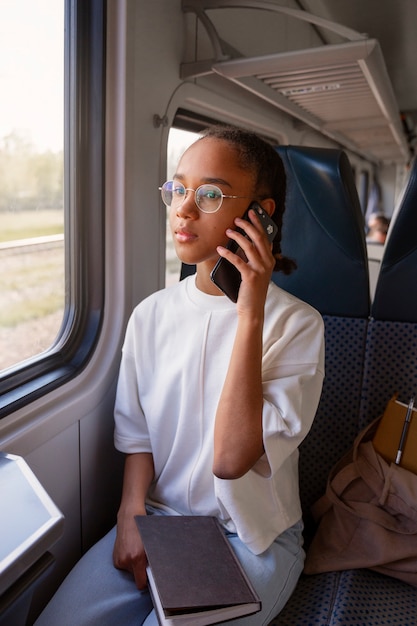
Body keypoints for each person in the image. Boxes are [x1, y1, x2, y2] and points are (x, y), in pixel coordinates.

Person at [35, 126, 325, 625]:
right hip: (160, 522)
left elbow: (232, 459)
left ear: (261, 214)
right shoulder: (150, 314)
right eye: (178, 189)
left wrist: (249, 313)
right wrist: (131, 518)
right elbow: (137, 433)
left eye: (210, 194)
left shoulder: (296, 324)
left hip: (249, 538)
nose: (184, 209)